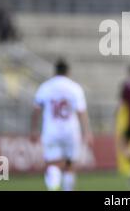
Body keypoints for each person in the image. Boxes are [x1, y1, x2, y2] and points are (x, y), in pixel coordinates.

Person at [31, 59, 93, 191]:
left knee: (53, 163)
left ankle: (53, 188)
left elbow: (36, 109)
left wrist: (34, 129)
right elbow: (81, 112)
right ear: (68, 71)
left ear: (55, 71)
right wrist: (87, 132)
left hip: (51, 130)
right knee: (69, 165)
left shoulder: (45, 87)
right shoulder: (74, 87)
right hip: (70, 131)